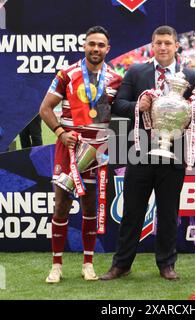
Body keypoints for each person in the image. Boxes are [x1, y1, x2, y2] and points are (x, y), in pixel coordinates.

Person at [100, 25, 195, 281]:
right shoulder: (137, 71)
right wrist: (139, 105)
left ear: (176, 46)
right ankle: (121, 264)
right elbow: (118, 105)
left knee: (169, 212)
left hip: (175, 153)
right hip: (140, 153)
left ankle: (166, 264)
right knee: (132, 211)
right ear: (152, 44)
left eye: (167, 43)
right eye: (158, 43)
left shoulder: (190, 76)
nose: (162, 47)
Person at [39, 26, 122, 283]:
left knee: (90, 207)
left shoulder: (115, 79)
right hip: (70, 147)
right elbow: (45, 109)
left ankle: (88, 263)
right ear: (84, 46)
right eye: (91, 44)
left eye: (100, 45)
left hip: (97, 150)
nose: (95, 49)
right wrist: (61, 132)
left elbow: (120, 115)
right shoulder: (67, 74)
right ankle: (56, 265)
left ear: (108, 49)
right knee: (62, 204)